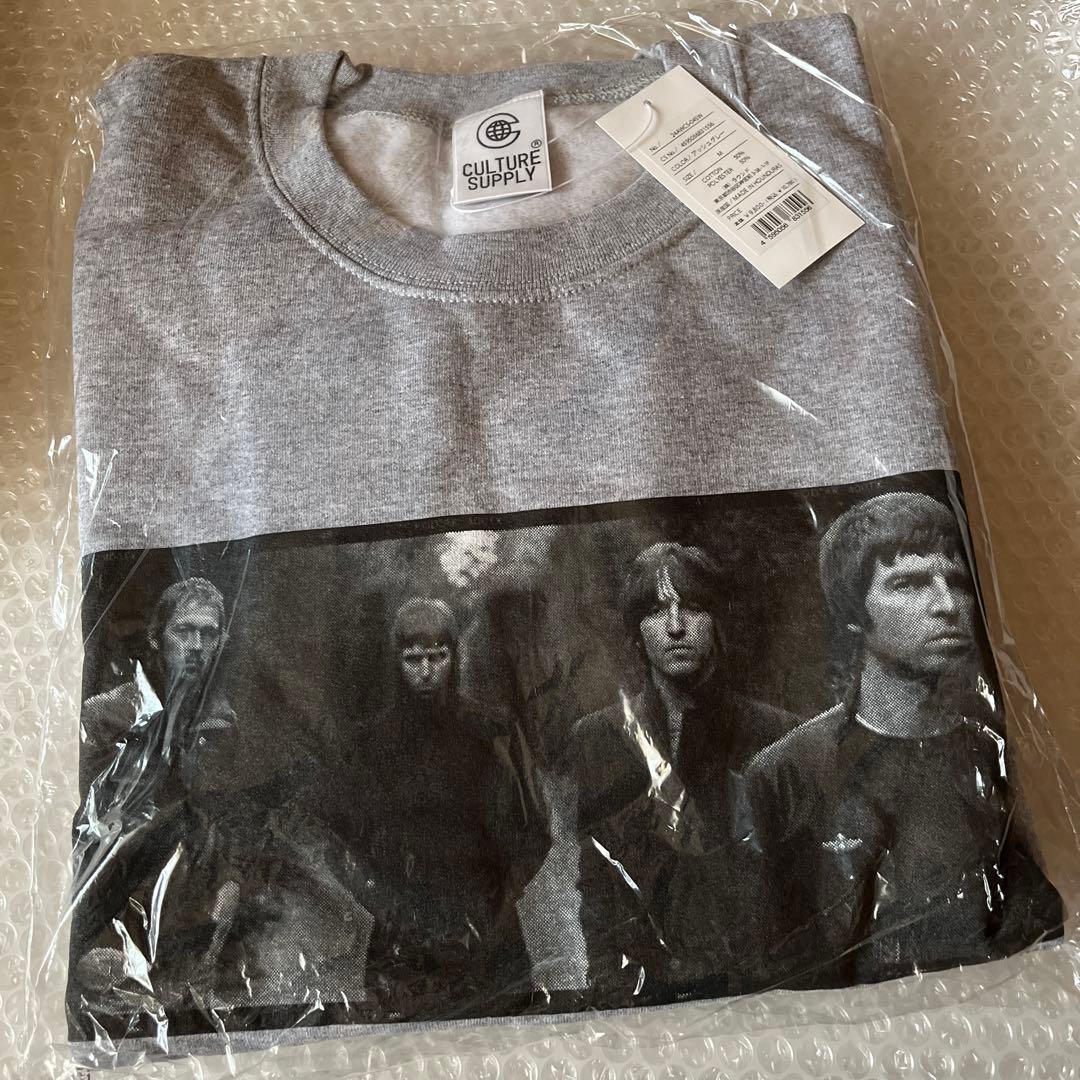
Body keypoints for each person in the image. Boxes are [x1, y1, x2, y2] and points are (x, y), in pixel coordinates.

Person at [746, 492, 1063, 990]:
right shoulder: (787, 771)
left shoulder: (992, 753)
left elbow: (1038, 926)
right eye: (910, 584)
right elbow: (773, 954)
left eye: (957, 582)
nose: (947, 606)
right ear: (853, 614)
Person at [562, 542, 794, 1008]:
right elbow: (597, 880)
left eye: (692, 607)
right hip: (645, 996)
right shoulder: (600, 737)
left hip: (753, 992)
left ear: (716, 622)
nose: (675, 627)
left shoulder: (775, 734)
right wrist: (610, 986)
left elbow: (793, 882)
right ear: (636, 631)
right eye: (655, 611)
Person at [348, 598, 549, 1021]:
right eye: (413, 659)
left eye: (437, 657)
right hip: (403, 937)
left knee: (501, 1041)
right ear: (396, 663)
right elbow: (350, 841)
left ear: (455, 657)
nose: (425, 672)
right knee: (405, 1048)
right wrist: (388, 903)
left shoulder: (492, 732)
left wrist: (498, 903)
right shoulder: (371, 744)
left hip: (487, 929)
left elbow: (534, 829)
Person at [70, 577, 241, 1020]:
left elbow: (226, 821)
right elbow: (86, 830)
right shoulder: (108, 716)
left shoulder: (221, 723)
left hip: (190, 906)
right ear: (156, 638)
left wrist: (231, 881)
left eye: (209, 633)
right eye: (184, 631)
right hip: (113, 901)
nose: (197, 646)